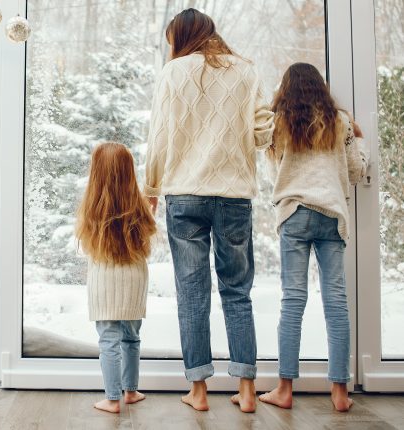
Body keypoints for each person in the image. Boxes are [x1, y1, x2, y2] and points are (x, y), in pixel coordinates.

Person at [144, 8, 275, 412]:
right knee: (238, 292)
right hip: (234, 195)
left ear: (181, 38)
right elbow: (261, 133)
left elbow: (160, 136)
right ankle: (248, 390)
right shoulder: (246, 71)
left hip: (183, 195)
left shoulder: (173, 72)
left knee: (192, 293)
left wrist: (150, 186)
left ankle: (198, 391)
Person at [259, 62, 368, 412]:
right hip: (331, 214)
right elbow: (354, 171)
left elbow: (274, 170)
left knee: (293, 300)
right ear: (320, 86)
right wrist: (360, 142)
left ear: (286, 89)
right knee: (335, 301)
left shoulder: (280, 123)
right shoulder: (341, 122)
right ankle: (339, 392)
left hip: (294, 213)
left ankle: (284, 388)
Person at [76, 142, 157, 413]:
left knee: (108, 339)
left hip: (104, 280)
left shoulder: (91, 206)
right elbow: (148, 231)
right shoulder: (139, 204)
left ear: (96, 172)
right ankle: (130, 391)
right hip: (134, 278)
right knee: (131, 337)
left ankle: (112, 399)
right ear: (128, 170)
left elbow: (88, 245)